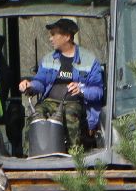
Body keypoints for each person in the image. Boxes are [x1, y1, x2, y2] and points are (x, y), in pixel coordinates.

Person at [18, 18, 105, 152]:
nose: (50, 39)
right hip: (50, 102)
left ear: (67, 36)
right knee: (36, 114)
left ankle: (75, 155)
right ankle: (30, 154)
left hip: (75, 103)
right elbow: (40, 81)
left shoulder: (89, 60)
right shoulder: (48, 59)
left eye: (53, 34)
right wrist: (30, 85)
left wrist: (81, 90)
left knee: (70, 113)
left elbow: (98, 91)